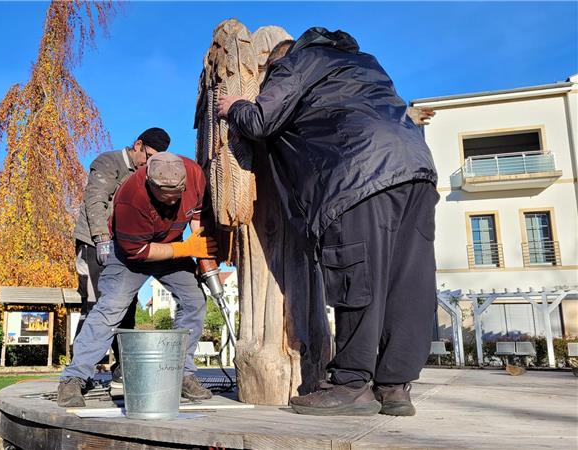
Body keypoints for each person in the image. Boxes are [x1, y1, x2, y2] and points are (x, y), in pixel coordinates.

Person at [217, 27, 439, 417]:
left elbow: (261, 121)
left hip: (358, 172)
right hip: (416, 169)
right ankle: (394, 388)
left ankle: (351, 384)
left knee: (358, 276)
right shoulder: (367, 65)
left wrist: (234, 106)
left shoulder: (298, 62)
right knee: (408, 281)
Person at [58, 152, 219, 407]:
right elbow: (140, 252)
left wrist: (201, 252)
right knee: (110, 307)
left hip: (173, 247)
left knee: (194, 301)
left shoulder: (195, 174)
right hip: (129, 255)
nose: (172, 201)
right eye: (165, 197)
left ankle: (181, 374)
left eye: (177, 195)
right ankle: (74, 378)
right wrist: (187, 250)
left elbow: (197, 214)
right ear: (149, 182)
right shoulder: (130, 199)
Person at [73, 127, 171, 387]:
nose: (151, 164)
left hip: (124, 246)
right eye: (149, 156)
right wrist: (101, 238)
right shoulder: (109, 162)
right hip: (94, 244)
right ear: (138, 144)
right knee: (95, 305)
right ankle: (79, 372)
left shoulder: (146, 175)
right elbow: (95, 200)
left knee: (126, 305)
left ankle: (122, 367)